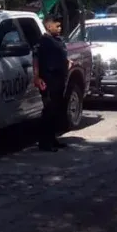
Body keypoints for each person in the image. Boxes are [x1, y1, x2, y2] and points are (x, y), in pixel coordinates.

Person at [33, 14, 71, 152]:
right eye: (57, 26)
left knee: (56, 111)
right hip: (48, 80)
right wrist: (37, 77)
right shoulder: (43, 41)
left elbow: (60, 56)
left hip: (59, 79)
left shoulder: (57, 40)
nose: (60, 28)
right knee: (49, 111)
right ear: (49, 26)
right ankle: (44, 143)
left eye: (60, 25)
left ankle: (52, 139)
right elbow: (36, 59)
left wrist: (67, 62)